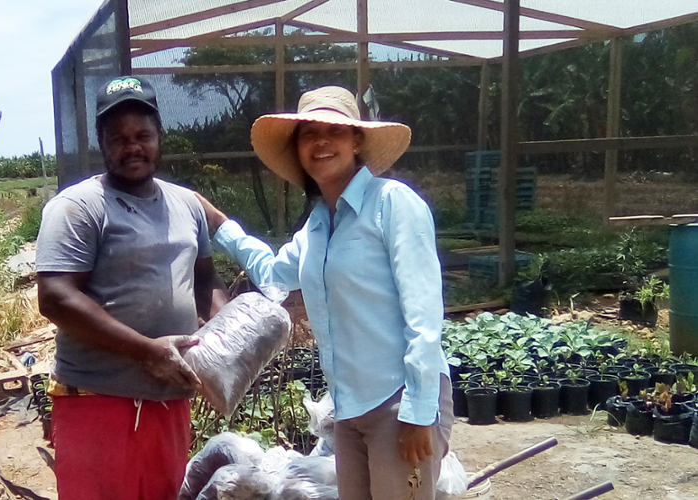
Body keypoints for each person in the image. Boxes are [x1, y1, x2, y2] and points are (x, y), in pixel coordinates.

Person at [196, 86, 453, 500]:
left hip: (398, 401)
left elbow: (423, 313)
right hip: (349, 410)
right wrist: (222, 225)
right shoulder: (317, 227)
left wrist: (420, 412)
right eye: (308, 133)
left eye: (334, 129)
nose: (321, 141)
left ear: (356, 141)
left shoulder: (392, 204)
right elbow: (274, 273)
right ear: (298, 149)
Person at [35, 75, 228, 500]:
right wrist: (145, 350)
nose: (132, 146)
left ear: (160, 136)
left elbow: (205, 280)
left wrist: (230, 335)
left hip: (168, 401)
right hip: (97, 399)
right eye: (118, 137)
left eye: (142, 134)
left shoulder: (187, 204)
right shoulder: (77, 207)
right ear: (101, 142)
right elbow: (56, 297)